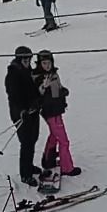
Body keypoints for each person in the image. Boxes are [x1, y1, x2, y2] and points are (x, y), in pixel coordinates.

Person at [34, 50, 81, 179]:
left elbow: (57, 89)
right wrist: (44, 87)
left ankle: (48, 160)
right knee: (64, 141)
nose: (47, 66)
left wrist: (63, 91)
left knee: (54, 136)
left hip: (56, 110)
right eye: (44, 63)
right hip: (50, 112)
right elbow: (39, 93)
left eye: (49, 63)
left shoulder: (53, 73)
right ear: (39, 64)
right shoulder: (39, 77)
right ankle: (67, 168)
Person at [5, 46, 42, 186]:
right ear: (19, 59)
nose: (27, 61)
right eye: (24, 59)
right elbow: (13, 97)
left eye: (29, 58)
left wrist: (37, 102)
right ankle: (25, 174)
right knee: (26, 143)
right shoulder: (13, 74)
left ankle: (30, 166)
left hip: (33, 112)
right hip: (21, 114)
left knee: (33, 139)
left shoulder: (28, 71)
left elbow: (34, 91)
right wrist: (21, 111)